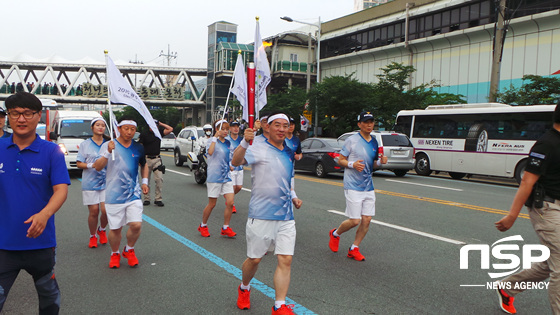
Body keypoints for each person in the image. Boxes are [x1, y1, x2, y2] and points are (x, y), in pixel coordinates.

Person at [0, 92, 70, 314]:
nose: (21, 119)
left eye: (27, 113)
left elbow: (61, 189)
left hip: (40, 243)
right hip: (3, 245)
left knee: (49, 301)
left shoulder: (51, 151)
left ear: (38, 116)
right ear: (8, 117)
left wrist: (44, 214)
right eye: (15, 113)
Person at [232, 112, 303, 314]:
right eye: (277, 125)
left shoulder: (289, 151)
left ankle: (279, 305)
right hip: (262, 213)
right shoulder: (257, 146)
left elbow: (287, 179)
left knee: (285, 259)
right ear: (268, 127)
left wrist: (294, 196)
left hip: (286, 215)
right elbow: (236, 162)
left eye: (285, 126)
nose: (281, 129)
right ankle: (244, 287)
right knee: (255, 259)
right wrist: (245, 142)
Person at [494, 103, 560, 314]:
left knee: (552, 262)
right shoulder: (546, 145)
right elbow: (527, 182)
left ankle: (508, 287)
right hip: (547, 208)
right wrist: (512, 215)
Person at [328, 111, 387, 261]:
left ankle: (354, 248)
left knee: (367, 219)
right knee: (355, 221)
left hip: (368, 186)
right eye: (366, 122)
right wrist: (352, 164)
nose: (369, 125)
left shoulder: (374, 141)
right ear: (359, 124)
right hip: (353, 185)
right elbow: (340, 160)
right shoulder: (352, 140)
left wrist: (381, 163)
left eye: (371, 122)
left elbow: (373, 164)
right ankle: (335, 234)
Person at [94, 117, 149, 269]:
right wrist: (107, 152)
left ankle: (129, 250)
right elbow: (97, 167)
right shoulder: (108, 145)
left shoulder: (138, 147)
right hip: (114, 194)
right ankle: (115, 253)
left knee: (136, 225)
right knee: (116, 229)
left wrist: (144, 182)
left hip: (133, 193)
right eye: (126, 129)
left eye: (132, 129)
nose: (129, 132)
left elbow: (144, 165)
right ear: (119, 129)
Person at [197, 120, 237, 238]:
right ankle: (203, 225)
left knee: (230, 202)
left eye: (226, 129)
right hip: (214, 176)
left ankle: (225, 227)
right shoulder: (211, 141)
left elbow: (229, 157)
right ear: (217, 129)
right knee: (212, 204)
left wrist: (231, 166)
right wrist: (215, 137)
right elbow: (210, 152)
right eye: (223, 129)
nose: (225, 131)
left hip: (226, 176)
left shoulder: (228, 143)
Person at [76, 117, 109, 248]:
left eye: (102, 125)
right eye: (98, 125)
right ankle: (92, 235)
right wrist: (92, 165)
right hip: (90, 182)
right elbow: (79, 163)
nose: (100, 127)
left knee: (105, 211)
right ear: (92, 128)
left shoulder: (109, 144)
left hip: (106, 182)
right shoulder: (85, 144)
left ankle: (102, 229)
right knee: (94, 211)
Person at [138, 119, 173, 207]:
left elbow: (170, 129)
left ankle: (158, 199)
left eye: (156, 125)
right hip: (146, 159)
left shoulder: (159, 133)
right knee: (146, 179)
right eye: (152, 125)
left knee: (159, 179)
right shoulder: (144, 134)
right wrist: (140, 159)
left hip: (157, 159)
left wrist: (161, 123)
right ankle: (146, 198)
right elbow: (140, 146)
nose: (154, 127)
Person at [226, 121, 243, 214]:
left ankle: (229, 197)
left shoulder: (241, 140)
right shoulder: (227, 140)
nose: (235, 128)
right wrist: (228, 165)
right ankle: (231, 203)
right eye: (233, 127)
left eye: (237, 126)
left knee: (239, 187)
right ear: (230, 129)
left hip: (240, 167)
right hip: (230, 167)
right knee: (232, 187)